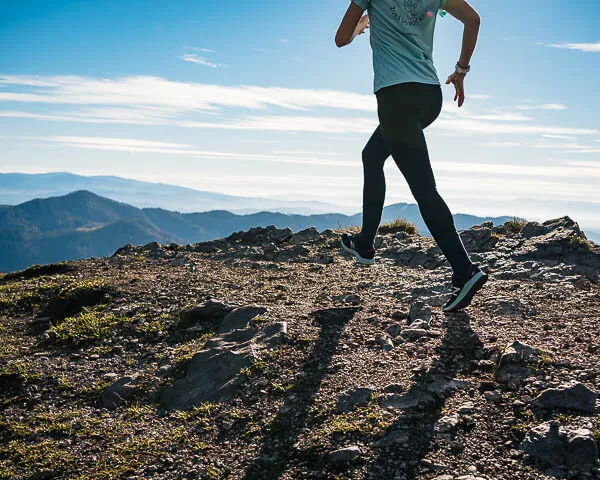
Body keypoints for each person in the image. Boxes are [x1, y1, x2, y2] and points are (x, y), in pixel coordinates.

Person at [336, 0, 487, 312]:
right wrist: (461, 71)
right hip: (429, 95)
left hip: (396, 97)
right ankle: (364, 244)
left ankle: (464, 270)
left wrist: (362, 25)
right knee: (372, 155)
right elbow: (473, 20)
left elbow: (341, 38)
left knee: (423, 189)